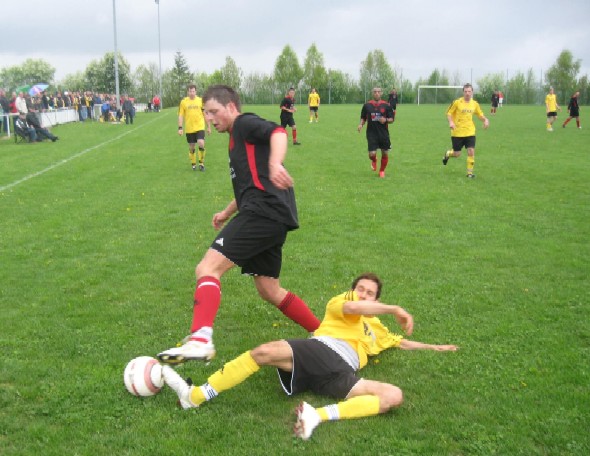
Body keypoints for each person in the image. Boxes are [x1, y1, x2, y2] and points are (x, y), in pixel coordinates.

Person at [161, 272, 458, 440]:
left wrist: (435, 347)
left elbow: (400, 342)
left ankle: (317, 415)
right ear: (352, 291)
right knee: (263, 352)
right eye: (360, 289)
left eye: (370, 293)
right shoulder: (341, 303)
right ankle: (196, 396)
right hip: (321, 351)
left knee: (393, 396)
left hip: (342, 372)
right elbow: (355, 308)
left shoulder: (378, 328)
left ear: (376, 299)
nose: (364, 295)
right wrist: (394, 309)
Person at [157, 85, 321, 364]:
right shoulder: (237, 140)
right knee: (269, 290)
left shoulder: (244, 124)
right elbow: (249, 187)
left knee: (207, 268)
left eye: (213, 111)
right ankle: (324, 333)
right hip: (272, 215)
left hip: (263, 213)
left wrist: (275, 163)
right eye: (206, 113)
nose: (209, 118)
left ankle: (200, 340)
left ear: (231, 107)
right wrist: (226, 211)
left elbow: (277, 132)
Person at [442, 83, 489, 178]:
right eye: (466, 91)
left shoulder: (475, 104)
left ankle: (469, 173)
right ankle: (448, 154)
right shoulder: (457, 102)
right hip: (457, 132)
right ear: (463, 92)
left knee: (471, 151)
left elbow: (480, 114)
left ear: (472, 92)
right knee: (457, 154)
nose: (467, 93)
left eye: (469, 91)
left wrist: (485, 120)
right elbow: (449, 113)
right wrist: (451, 122)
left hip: (470, 132)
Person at [357, 87, 394, 178]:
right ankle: (374, 160)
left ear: (381, 93)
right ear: (372, 93)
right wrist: (361, 124)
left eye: (378, 92)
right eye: (375, 92)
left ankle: (381, 171)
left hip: (383, 134)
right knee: (371, 154)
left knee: (385, 153)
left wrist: (385, 120)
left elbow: (392, 119)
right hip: (371, 133)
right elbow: (363, 117)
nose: (377, 93)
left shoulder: (387, 105)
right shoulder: (367, 105)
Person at [178, 84, 211, 171]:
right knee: (192, 146)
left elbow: (205, 114)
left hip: (200, 126)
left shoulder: (200, 101)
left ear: (196, 92)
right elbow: (181, 115)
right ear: (188, 92)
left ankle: (201, 163)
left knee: (201, 143)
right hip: (189, 128)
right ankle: (193, 163)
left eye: (193, 91)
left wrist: (208, 126)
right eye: (190, 91)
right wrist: (180, 127)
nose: (192, 93)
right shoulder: (183, 102)